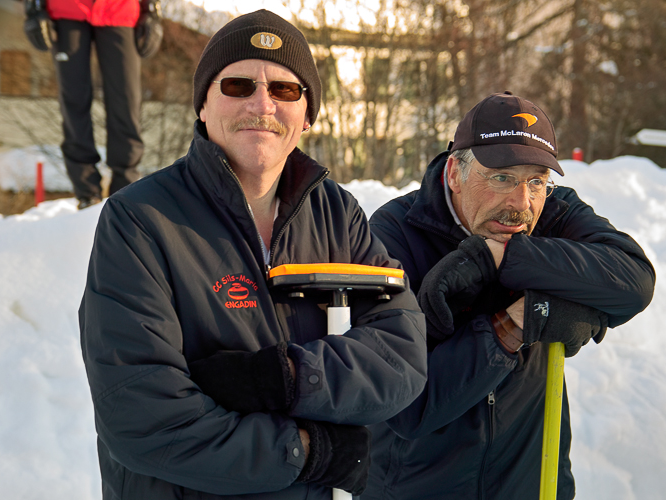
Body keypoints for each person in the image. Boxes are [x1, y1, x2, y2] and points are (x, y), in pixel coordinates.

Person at [79, 10, 427, 500]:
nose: (261, 104)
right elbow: (142, 416)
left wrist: (285, 379)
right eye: (238, 85)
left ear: (307, 116)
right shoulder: (141, 221)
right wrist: (306, 453)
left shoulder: (337, 214)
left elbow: (402, 354)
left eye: (285, 90)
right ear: (203, 105)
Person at [363, 92, 655, 500]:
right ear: (454, 173)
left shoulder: (552, 211)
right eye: (502, 177)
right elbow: (408, 404)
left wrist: (502, 256)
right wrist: (518, 322)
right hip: (417, 487)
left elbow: (635, 282)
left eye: (536, 180)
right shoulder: (394, 235)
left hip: (532, 484)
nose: (522, 203)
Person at [23, 0, 149, 209]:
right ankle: (87, 193)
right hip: (66, 9)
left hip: (119, 9)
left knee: (126, 101)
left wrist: (151, 8)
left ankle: (126, 188)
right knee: (74, 101)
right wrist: (33, 6)